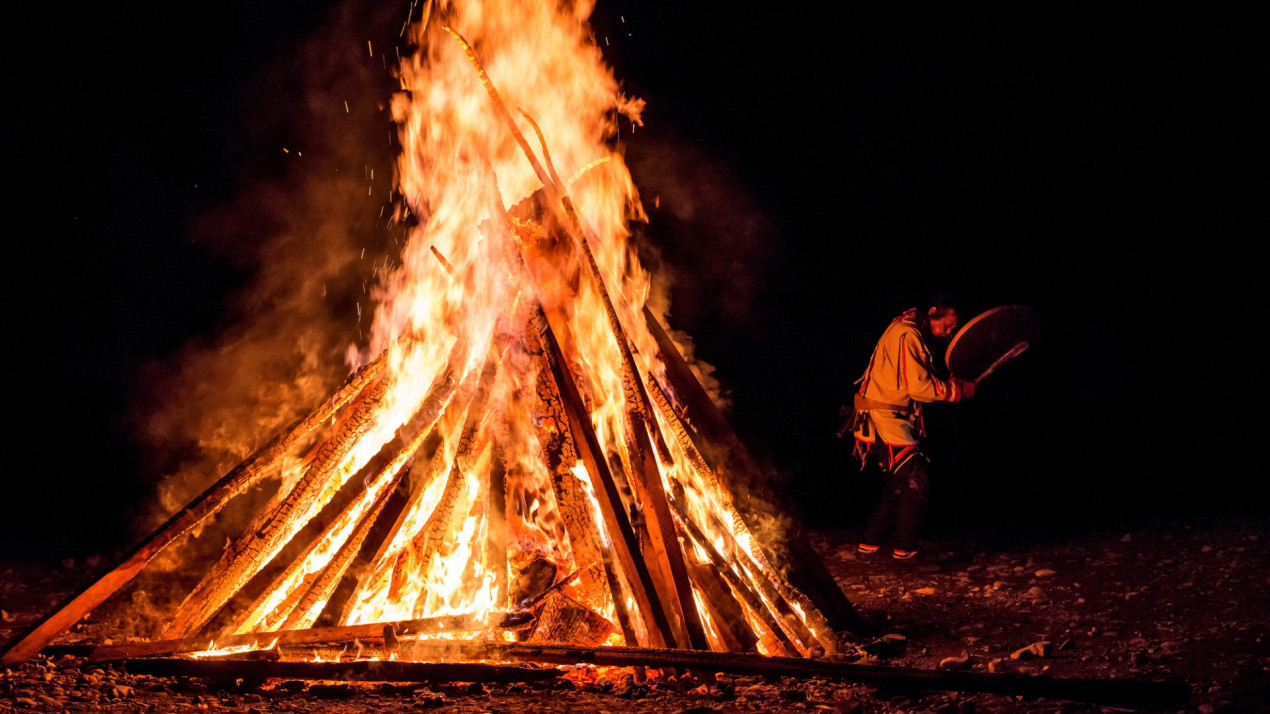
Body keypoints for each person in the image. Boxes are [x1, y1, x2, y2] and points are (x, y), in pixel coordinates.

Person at [847, 299, 974, 561]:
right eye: (947, 326)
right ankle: (905, 550)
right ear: (933, 312)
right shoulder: (907, 333)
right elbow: (918, 388)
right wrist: (957, 392)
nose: (947, 333)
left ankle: (870, 544)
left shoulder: (907, 329)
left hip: (885, 417)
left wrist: (946, 384)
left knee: (899, 482)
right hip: (883, 418)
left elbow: (913, 378)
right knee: (916, 482)